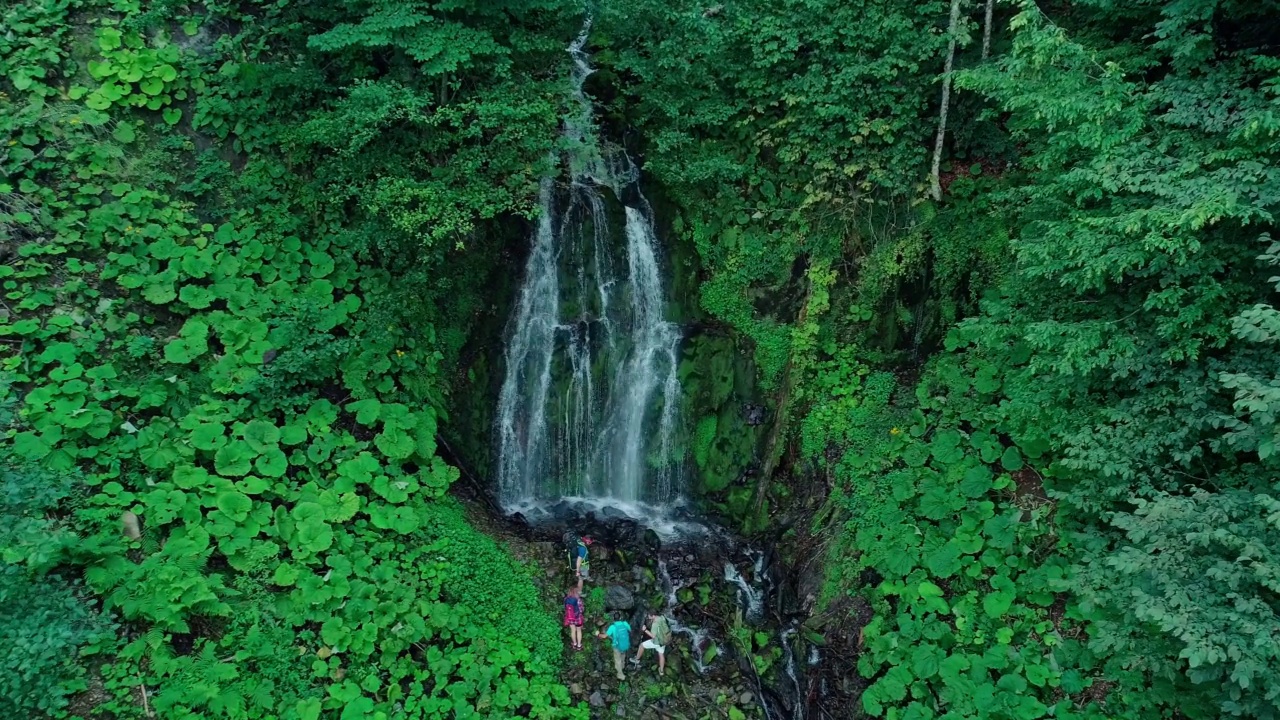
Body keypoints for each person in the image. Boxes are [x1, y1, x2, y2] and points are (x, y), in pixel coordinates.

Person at [632, 612, 671, 676]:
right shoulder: (662, 617)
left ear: (653, 616)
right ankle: (661, 671)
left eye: (649, 616)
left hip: (657, 641)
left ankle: (637, 660)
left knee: (641, 645)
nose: (648, 617)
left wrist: (645, 630)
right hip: (664, 639)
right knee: (661, 654)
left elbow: (653, 636)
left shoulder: (655, 624)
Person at [597, 613, 631, 681]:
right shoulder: (625, 623)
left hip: (617, 646)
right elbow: (630, 630)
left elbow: (604, 636)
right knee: (623, 656)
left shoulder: (613, 627)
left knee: (617, 660)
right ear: (620, 617)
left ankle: (621, 675)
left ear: (613, 619)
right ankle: (623, 666)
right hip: (625, 644)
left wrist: (598, 634)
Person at [563, 586, 584, 651]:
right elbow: (581, 610)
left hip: (570, 618)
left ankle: (574, 644)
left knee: (573, 631)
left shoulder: (566, 599)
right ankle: (579, 645)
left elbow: (565, 608)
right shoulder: (578, 600)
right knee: (579, 631)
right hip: (577, 618)